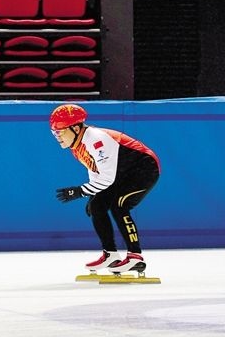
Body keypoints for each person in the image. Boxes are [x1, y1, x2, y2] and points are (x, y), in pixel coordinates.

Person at [50, 104, 160, 274]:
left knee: (119, 205)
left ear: (76, 128)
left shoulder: (95, 139)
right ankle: (111, 254)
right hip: (121, 173)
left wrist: (80, 191)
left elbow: (107, 178)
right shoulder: (76, 145)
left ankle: (135, 257)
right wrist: (92, 193)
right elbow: (96, 171)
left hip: (145, 168)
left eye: (60, 132)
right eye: (54, 133)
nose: (57, 137)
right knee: (97, 206)